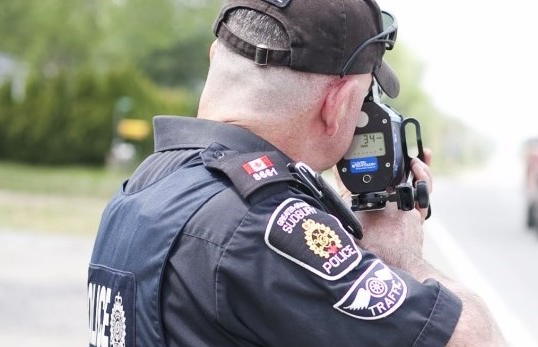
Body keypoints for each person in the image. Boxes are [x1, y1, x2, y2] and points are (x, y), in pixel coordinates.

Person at [87, 0, 503, 346]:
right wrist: (400, 255)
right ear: (337, 105)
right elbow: (473, 339)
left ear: (215, 55)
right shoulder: (263, 226)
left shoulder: (139, 191)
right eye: (362, 100)